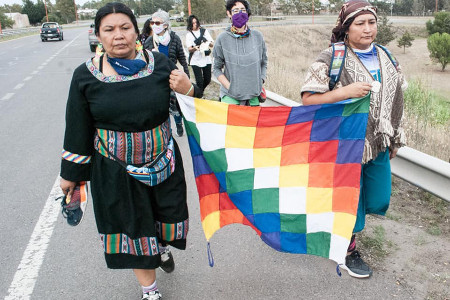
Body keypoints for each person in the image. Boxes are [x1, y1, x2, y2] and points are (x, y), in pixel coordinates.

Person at [59, 3, 201, 300]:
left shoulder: (160, 64)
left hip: (164, 164)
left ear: (138, 31)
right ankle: (150, 291)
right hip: (115, 172)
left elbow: (192, 106)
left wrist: (188, 88)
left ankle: (161, 248)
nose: (118, 36)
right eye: (109, 30)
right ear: (98, 36)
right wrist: (71, 176)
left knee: (167, 219)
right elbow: (77, 128)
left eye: (125, 28)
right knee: (133, 229)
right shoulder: (85, 77)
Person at [301, 0, 407, 278]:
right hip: (344, 144)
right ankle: (347, 249)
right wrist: (343, 92)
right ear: (346, 28)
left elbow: (396, 99)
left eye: (372, 22)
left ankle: (336, 228)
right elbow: (308, 100)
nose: (368, 28)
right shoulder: (332, 58)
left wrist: (394, 138)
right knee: (350, 200)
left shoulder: (387, 56)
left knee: (378, 196)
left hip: (378, 142)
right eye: (360, 23)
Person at [213, 0, 268, 106]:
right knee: (233, 123)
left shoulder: (258, 37)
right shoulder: (222, 38)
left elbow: (264, 62)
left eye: (243, 10)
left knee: (252, 123)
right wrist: (231, 87)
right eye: (236, 10)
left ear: (247, 13)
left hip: (253, 96)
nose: (240, 14)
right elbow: (216, 69)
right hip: (231, 97)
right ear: (229, 13)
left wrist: (260, 81)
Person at [144, 10, 188, 137]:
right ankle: (167, 130)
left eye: (157, 22)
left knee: (175, 106)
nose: (154, 25)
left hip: (173, 78)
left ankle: (178, 123)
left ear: (165, 25)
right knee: (162, 107)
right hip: (157, 80)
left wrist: (186, 75)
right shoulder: (149, 41)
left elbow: (182, 58)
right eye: (152, 22)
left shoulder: (174, 38)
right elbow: (145, 62)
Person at [185, 15, 214, 98]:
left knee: (207, 79)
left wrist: (206, 42)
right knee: (199, 81)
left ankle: (198, 92)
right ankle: (199, 97)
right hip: (195, 59)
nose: (195, 24)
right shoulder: (189, 35)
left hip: (205, 57)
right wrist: (195, 48)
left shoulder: (204, 31)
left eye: (196, 22)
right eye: (193, 23)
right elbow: (189, 49)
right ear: (190, 24)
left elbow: (212, 44)